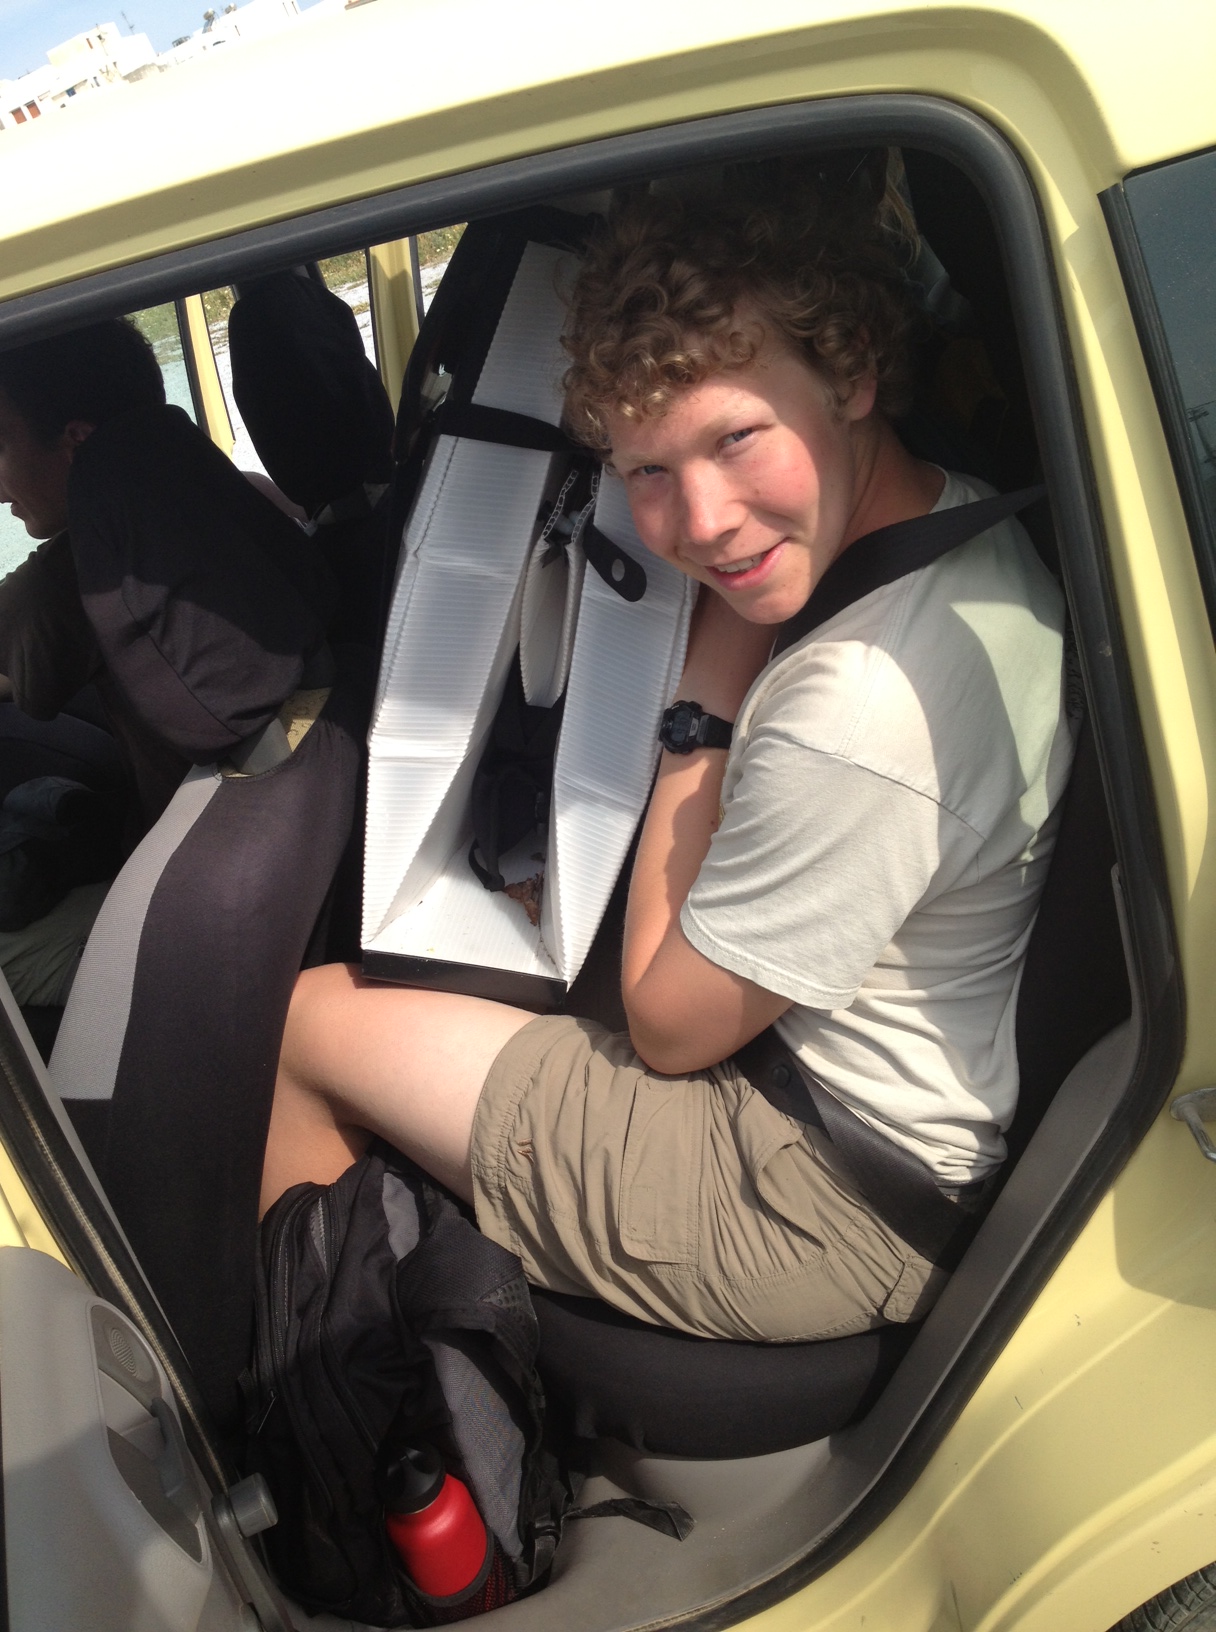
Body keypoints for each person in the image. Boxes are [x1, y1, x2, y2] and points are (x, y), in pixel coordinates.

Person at [259, 165, 1077, 1345]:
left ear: (853, 368)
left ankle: (338, 1408)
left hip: (810, 1193)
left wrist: (698, 714)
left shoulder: (861, 704)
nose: (700, 522)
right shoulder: (942, 515)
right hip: (817, 1075)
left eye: (736, 438)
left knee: (304, 1027)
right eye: (647, 470)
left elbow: (666, 1026)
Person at [0, 319, 190, 834]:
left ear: (78, 441)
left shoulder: (73, 577)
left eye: (0, 446)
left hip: (174, 842)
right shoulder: (245, 497)